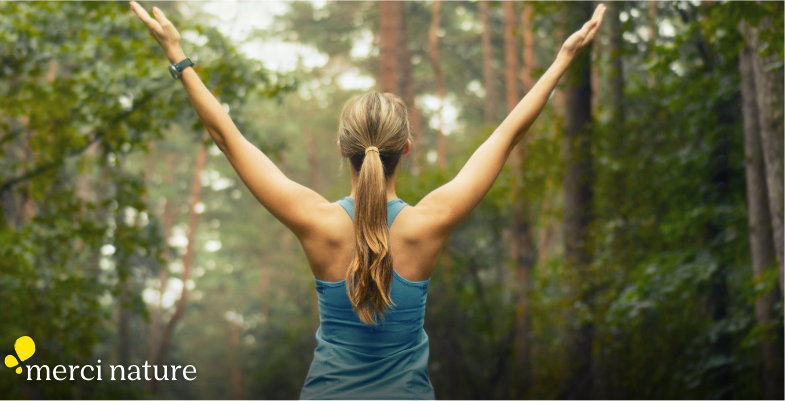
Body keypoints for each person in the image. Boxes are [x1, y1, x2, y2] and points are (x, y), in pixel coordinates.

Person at [129, 1, 606, 399]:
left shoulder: (315, 222)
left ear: (342, 149)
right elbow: (507, 135)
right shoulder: (427, 225)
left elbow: (226, 136)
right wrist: (562, 59)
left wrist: (178, 54)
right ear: (406, 149)